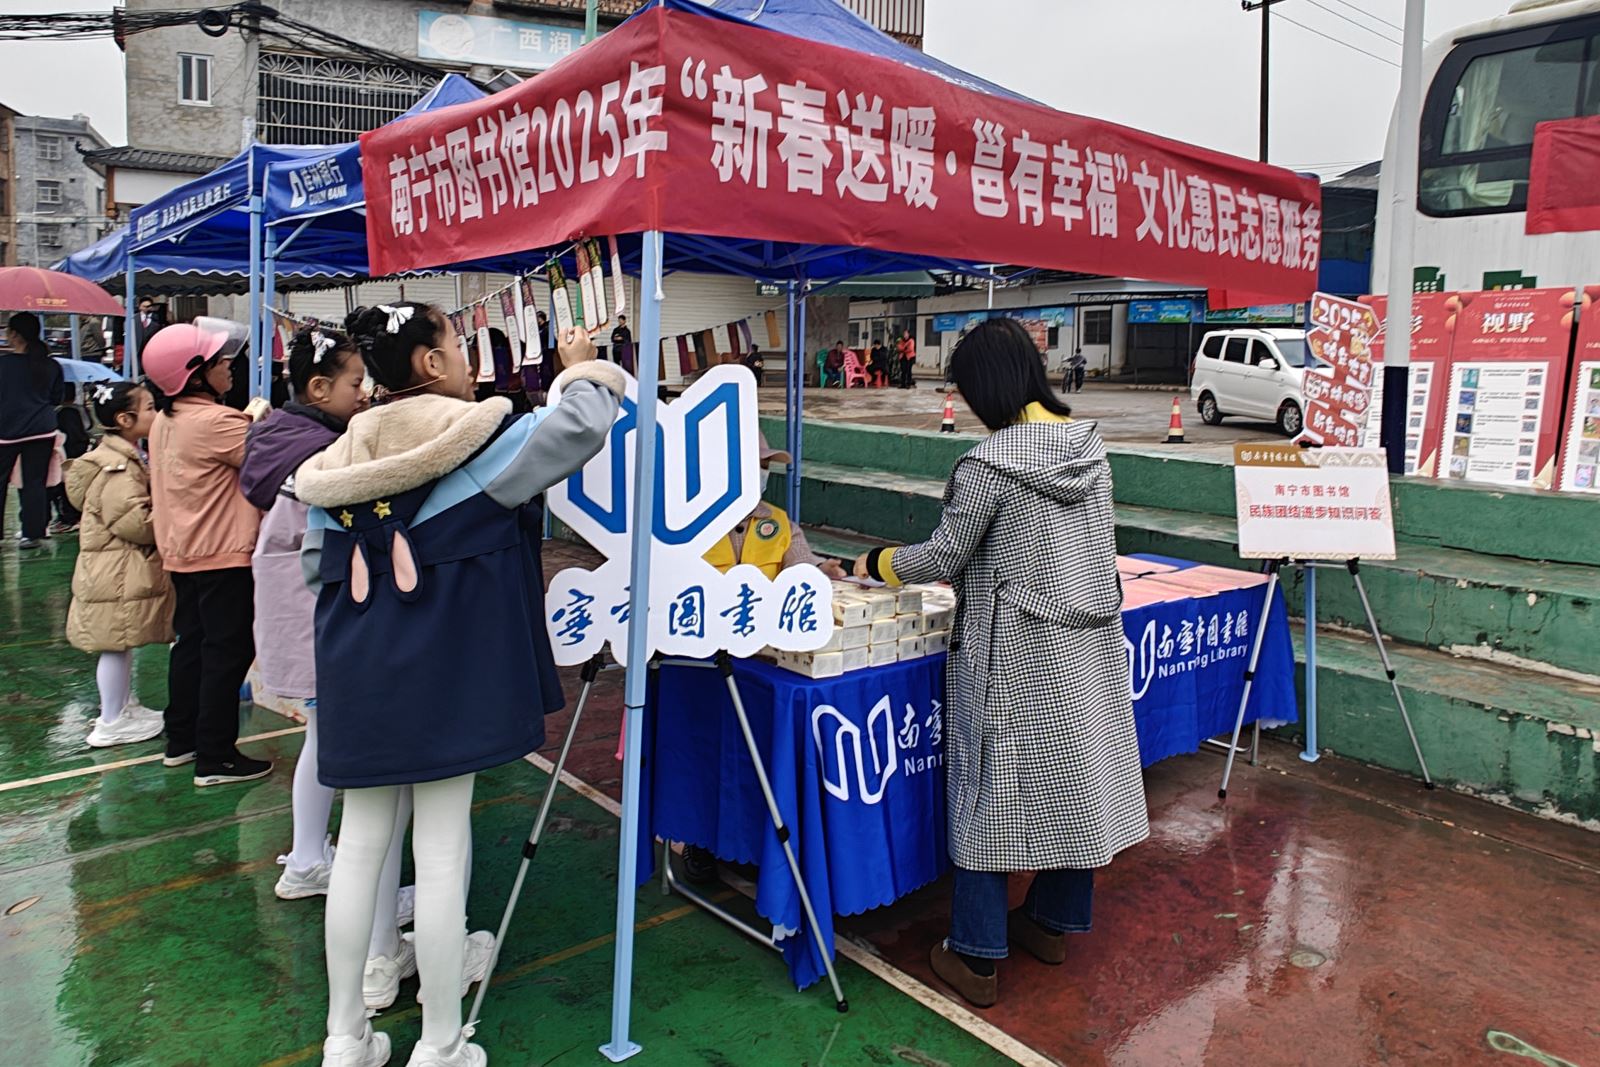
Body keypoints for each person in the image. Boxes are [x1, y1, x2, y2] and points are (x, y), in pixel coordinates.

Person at [296, 302, 624, 1067]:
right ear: (432, 364)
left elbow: (316, 568)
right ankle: (440, 1041)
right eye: (457, 344)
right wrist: (582, 366)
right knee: (441, 849)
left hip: (357, 677)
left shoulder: (339, 459)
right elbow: (579, 427)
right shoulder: (475, 441)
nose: (470, 359)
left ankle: (346, 1036)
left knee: (360, 847)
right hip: (446, 677)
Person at [852, 318, 1149, 1008]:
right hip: (1087, 644)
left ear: (985, 388)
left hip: (1010, 653)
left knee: (989, 793)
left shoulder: (989, 465)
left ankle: (975, 953)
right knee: (1077, 781)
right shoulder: (1090, 450)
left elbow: (943, 557)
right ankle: (1049, 924)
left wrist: (873, 562)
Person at [681, 436, 846, 884]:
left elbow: (800, 566)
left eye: (765, 466)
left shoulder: (777, 521)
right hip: (705, 658)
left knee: (761, 754)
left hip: (765, 660)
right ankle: (699, 837)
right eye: (753, 465)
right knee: (705, 749)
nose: (761, 474)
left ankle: (755, 842)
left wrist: (821, 571)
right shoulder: (689, 522)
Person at [239, 325, 368, 897]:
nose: (364, 393)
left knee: (320, 736)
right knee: (331, 741)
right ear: (319, 388)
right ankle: (312, 863)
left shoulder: (278, 437)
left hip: (293, 613)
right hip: (315, 615)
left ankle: (307, 853)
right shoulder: (320, 455)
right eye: (355, 383)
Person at [144, 317, 273, 787]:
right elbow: (267, 460)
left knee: (192, 646)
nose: (229, 366)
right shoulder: (217, 422)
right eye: (219, 361)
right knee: (227, 652)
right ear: (195, 374)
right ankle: (216, 756)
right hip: (223, 553)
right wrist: (261, 422)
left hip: (183, 551)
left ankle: (182, 739)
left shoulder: (165, 419)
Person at [65, 380, 175, 748]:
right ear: (125, 420)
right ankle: (111, 720)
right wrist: (168, 513)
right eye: (149, 408)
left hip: (112, 569)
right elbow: (133, 522)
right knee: (115, 644)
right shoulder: (117, 467)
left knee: (120, 643)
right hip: (115, 572)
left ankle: (123, 707)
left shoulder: (120, 457)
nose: (156, 413)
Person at [1, 312, 66, 548]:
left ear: (14, 335)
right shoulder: (51, 365)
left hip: (6, 431)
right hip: (42, 430)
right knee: (35, 482)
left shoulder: (3, 364)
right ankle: (33, 533)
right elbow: (57, 398)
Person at [49, 385, 92, 533]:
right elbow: (88, 427)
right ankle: (75, 516)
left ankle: (68, 519)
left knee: (63, 489)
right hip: (80, 454)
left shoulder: (60, 413)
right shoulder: (80, 410)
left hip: (66, 457)